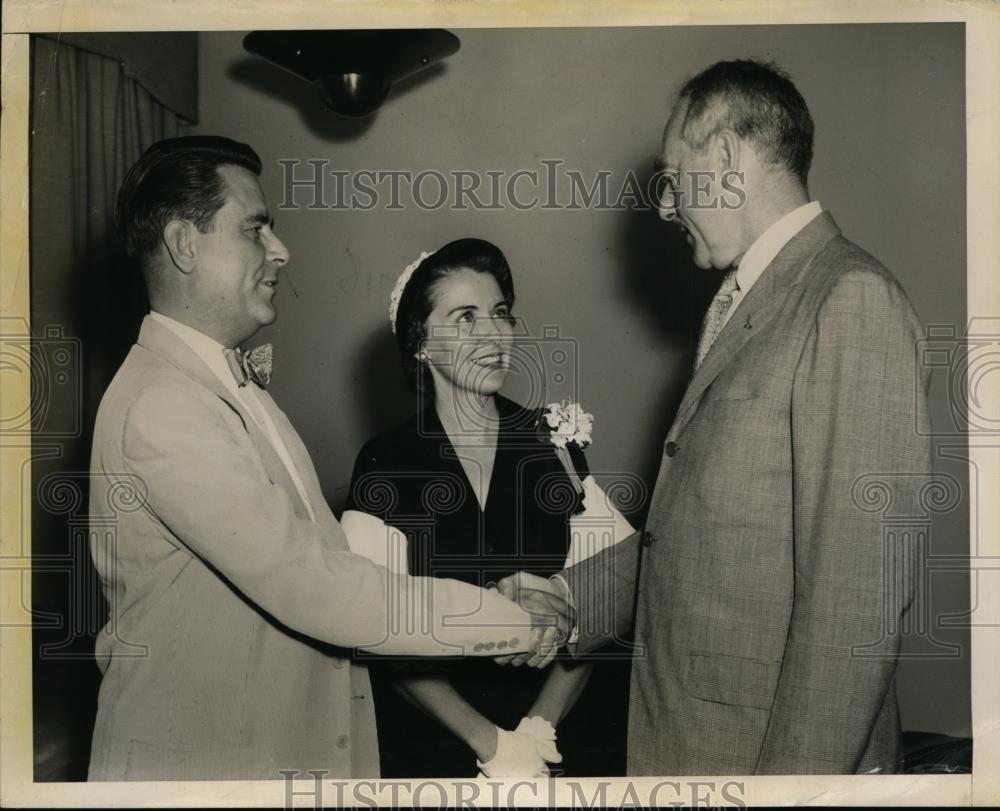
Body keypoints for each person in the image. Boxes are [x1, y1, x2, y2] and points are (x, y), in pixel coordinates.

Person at [86, 136, 567, 781]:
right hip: (200, 766)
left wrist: (499, 589)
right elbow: (319, 588)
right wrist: (515, 619)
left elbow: (332, 560)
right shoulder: (164, 407)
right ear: (184, 244)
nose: (280, 251)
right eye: (256, 229)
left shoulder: (231, 389)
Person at [500, 59, 932, 775]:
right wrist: (568, 597)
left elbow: (856, 606)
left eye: (672, 177)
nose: (665, 207)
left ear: (726, 158)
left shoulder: (848, 298)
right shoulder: (747, 301)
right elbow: (697, 540)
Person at [341, 238, 635, 777]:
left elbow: (611, 591)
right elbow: (375, 628)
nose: (493, 334)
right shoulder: (386, 461)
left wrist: (537, 732)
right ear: (420, 343)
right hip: (440, 752)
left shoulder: (552, 440)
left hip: (559, 739)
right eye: (465, 317)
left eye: (500, 314)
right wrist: (492, 746)